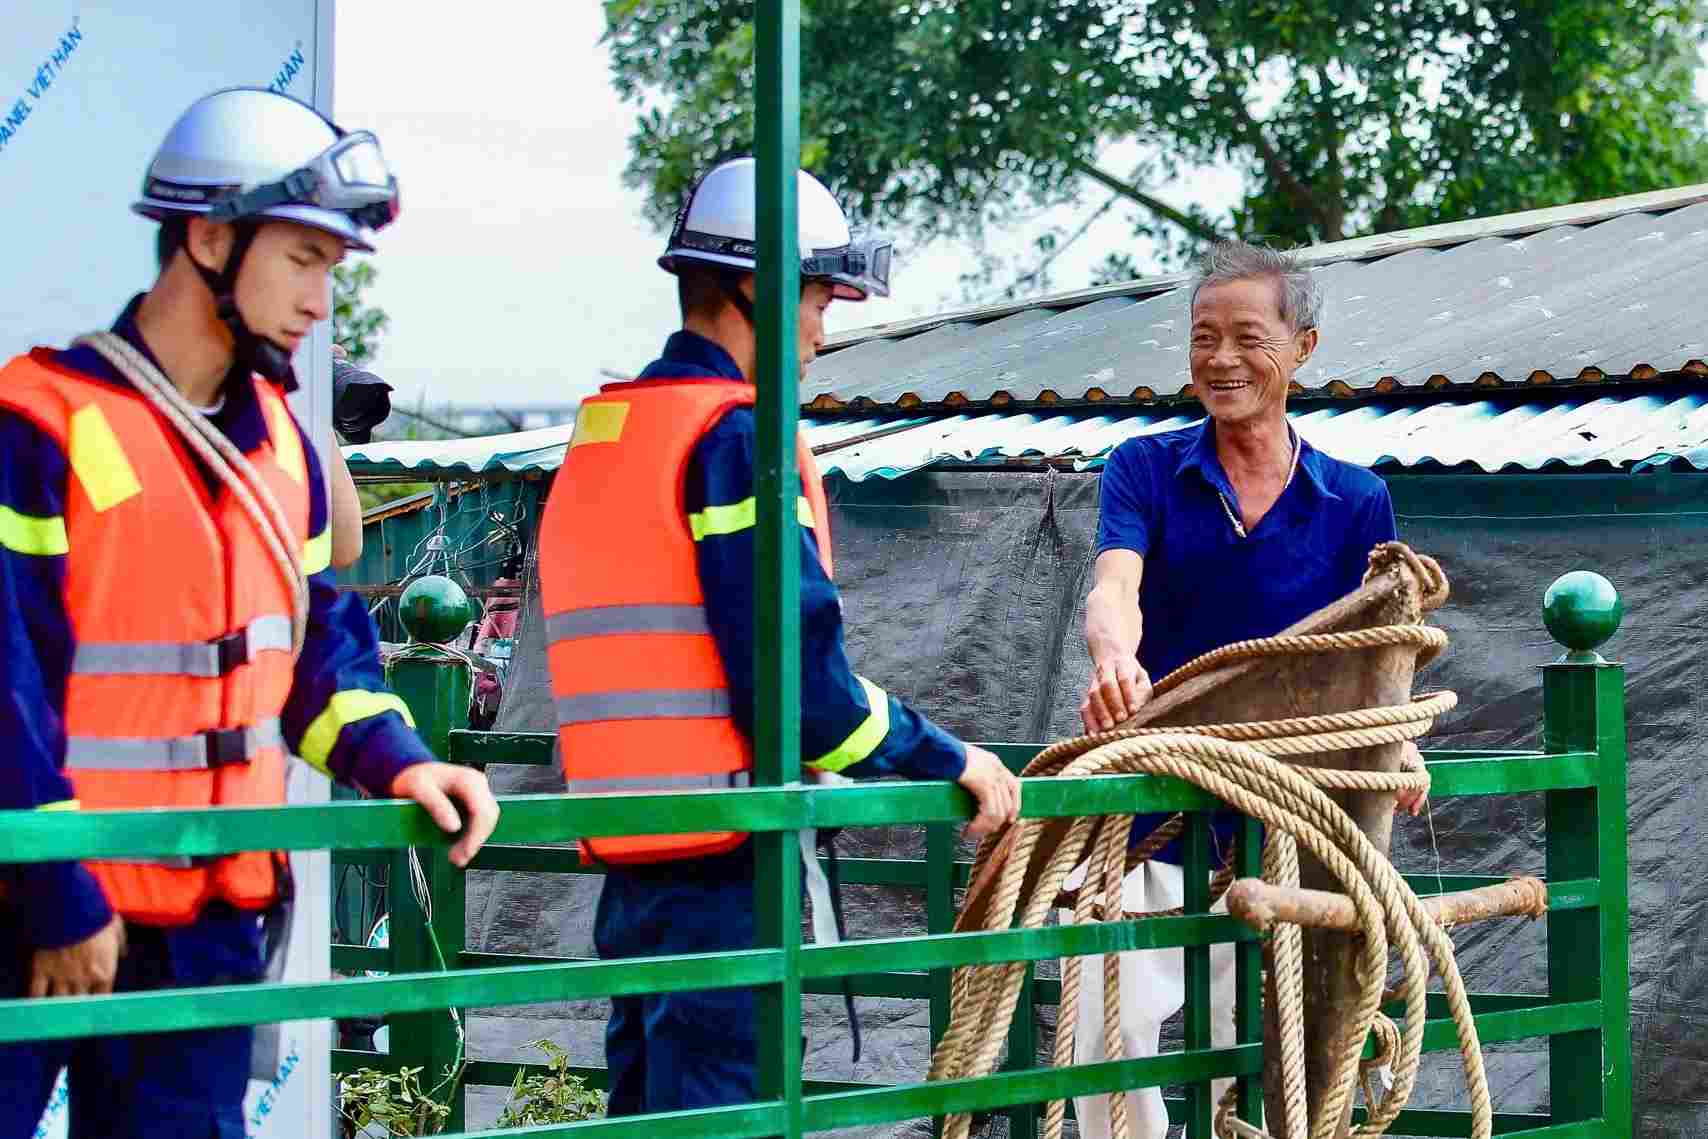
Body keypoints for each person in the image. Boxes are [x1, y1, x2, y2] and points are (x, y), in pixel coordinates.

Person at [0, 87, 500, 1138]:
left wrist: (405, 760)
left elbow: (319, 653)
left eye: (334, 267)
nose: (323, 298)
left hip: (206, 914)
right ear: (210, 236)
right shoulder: (38, 420)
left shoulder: (282, 448)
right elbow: (7, 683)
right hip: (36, 904)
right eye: (304, 259)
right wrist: (58, 896)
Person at [537, 156, 1022, 1117]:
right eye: (814, 301)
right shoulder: (734, 442)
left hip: (630, 862)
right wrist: (954, 756)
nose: (818, 332)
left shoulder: (609, 437)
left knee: (646, 1111)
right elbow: (805, 693)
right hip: (725, 865)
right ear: (754, 288)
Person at [1068, 238, 1421, 1139]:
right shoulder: (1145, 469)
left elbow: (1371, 656)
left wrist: (1397, 741)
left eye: (1246, 337)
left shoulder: (1355, 500)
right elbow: (1114, 586)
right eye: (1203, 338)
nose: (1221, 360)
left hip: (1282, 826)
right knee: (1113, 1033)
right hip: (1153, 807)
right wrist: (1114, 656)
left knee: (1251, 1042)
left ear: (1302, 346)